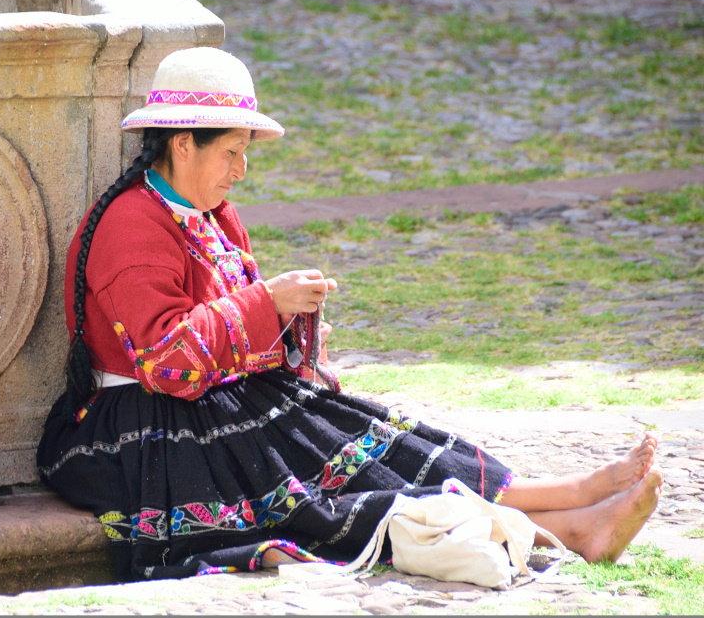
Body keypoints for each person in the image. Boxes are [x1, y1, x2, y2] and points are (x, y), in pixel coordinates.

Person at [37, 46, 663, 582]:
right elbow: (165, 362)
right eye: (231, 152)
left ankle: (569, 498)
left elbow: (229, 328)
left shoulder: (212, 215)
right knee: (315, 491)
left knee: (372, 438)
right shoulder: (131, 226)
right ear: (182, 144)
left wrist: (289, 333)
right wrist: (267, 303)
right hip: (141, 426)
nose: (241, 171)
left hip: (216, 401)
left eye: (244, 152)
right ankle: (571, 525)